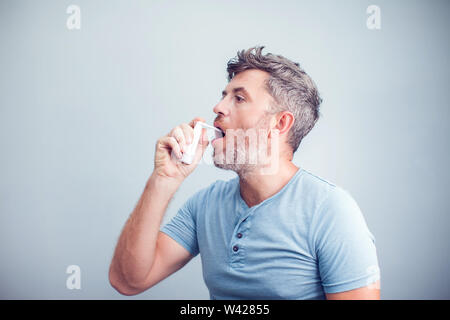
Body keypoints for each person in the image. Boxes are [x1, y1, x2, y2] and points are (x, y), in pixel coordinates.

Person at [109, 46, 381, 299]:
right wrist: (163, 180)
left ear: (280, 123)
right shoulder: (205, 204)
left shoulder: (330, 210)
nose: (218, 107)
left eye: (239, 98)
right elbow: (128, 281)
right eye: (223, 95)